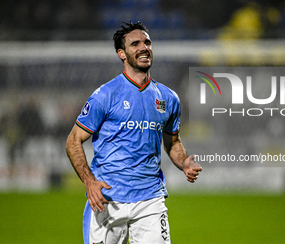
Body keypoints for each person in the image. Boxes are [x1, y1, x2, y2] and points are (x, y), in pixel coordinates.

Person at [66, 20, 202, 244]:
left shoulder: (169, 98)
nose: (143, 47)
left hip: (150, 200)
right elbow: (73, 141)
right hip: (107, 198)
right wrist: (89, 182)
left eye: (147, 42)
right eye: (135, 44)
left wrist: (184, 162)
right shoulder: (105, 95)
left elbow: (173, 143)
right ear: (122, 53)